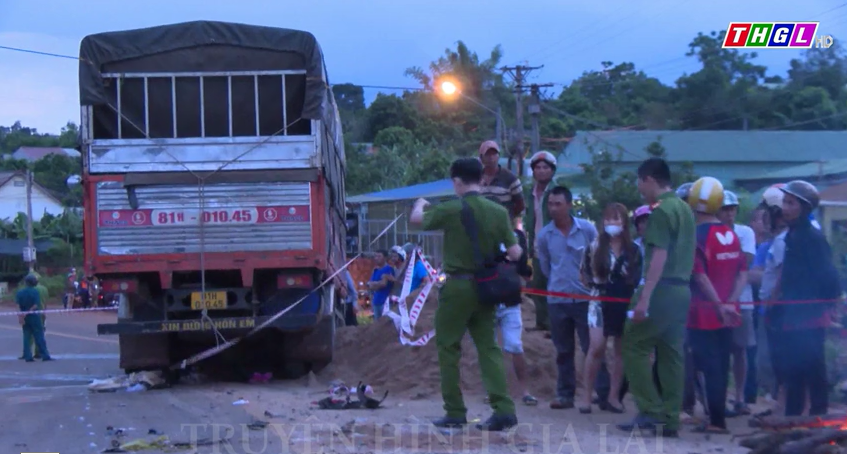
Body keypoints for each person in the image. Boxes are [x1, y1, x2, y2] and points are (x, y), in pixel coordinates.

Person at [409, 157, 519, 431]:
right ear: (482, 178)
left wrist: (421, 202)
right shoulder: (498, 212)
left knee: (448, 347)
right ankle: (503, 409)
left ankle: (456, 411)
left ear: (457, 181)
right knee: (489, 347)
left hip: (457, 287)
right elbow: (515, 252)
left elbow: (416, 220)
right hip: (487, 286)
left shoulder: (450, 208)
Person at [618, 158, 695, 437]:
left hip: (661, 289)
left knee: (634, 346)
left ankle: (650, 410)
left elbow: (659, 256)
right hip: (682, 290)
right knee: (671, 354)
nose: (639, 188)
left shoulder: (660, 212)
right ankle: (671, 419)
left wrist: (644, 298)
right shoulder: (685, 209)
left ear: (649, 179)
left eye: (640, 182)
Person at [536, 185, 612, 410]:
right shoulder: (544, 235)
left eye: (558, 204)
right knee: (563, 350)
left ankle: (603, 392)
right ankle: (565, 394)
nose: (553, 208)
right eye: (550, 204)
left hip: (586, 299)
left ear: (569, 205)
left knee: (593, 347)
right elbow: (546, 266)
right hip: (557, 300)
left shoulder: (587, 230)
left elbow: (600, 257)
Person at [686, 177, 748, 434]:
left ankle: (714, 420)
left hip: (702, 314)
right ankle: (718, 418)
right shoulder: (730, 233)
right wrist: (730, 302)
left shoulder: (696, 236)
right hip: (728, 314)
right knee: (721, 366)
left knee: (704, 367)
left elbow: (699, 275)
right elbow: (743, 272)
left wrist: (719, 305)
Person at [773, 180, 840, 417]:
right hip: (792, 310)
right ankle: (793, 415)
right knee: (793, 367)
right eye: (784, 202)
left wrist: (828, 304)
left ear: (804, 207)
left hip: (810, 310)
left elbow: (828, 274)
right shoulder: (791, 235)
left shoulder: (812, 237)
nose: (785, 207)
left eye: (791, 203)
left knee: (813, 364)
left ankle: (819, 413)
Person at [579, 202, 643, 414]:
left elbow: (637, 277)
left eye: (615, 219)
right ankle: (587, 397)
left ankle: (614, 397)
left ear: (624, 222)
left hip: (624, 301)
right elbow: (584, 273)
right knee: (596, 347)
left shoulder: (634, 250)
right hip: (598, 300)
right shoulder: (595, 246)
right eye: (607, 219)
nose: (611, 223)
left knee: (620, 351)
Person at [716, 190, 757, 416]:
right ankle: (718, 397)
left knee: (740, 350)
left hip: (742, 300)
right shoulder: (709, 233)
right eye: (725, 209)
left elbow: (746, 262)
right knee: (718, 350)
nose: (729, 213)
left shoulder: (745, 232)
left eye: (732, 209)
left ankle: (740, 397)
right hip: (714, 300)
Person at [490, 220, 538, 407]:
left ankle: (524, 391)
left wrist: (520, 259)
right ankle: (493, 390)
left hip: (511, 302)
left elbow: (528, 274)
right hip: (488, 302)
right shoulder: (486, 236)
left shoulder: (517, 237)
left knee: (515, 346)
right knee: (490, 348)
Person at [524, 151, 558, 332]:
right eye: (538, 167)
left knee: (554, 286)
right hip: (536, 245)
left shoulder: (557, 192)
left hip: (555, 246)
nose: (542, 171)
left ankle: (555, 326)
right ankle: (541, 322)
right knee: (537, 285)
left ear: (552, 170)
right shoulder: (530, 194)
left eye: (545, 167)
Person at [477, 140, 525, 219]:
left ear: (498, 156)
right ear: (481, 158)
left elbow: (520, 205)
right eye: (488, 154)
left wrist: (508, 217)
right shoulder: (475, 178)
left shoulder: (510, 178)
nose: (491, 157)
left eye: (494, 154)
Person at [17, 274, 53, 362]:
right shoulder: (35, 292)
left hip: (24, 317)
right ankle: (44, 355)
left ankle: (27, 356)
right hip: (34, 316)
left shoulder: (20, 292)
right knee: (39, 336)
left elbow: (17, 305)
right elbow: (35, 305)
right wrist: (28, 312)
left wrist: (21, 315)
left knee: (26, 336)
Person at [366, 250, 394, 320]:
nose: (376, 258)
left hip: (385, 302)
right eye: (375, 256)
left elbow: (383, 284)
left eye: (379, 256)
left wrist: (374, 284)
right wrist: (375, 284)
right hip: (376, 301)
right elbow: (370, 286)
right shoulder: (375, 270)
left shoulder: (389, 269)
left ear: (385, 258)